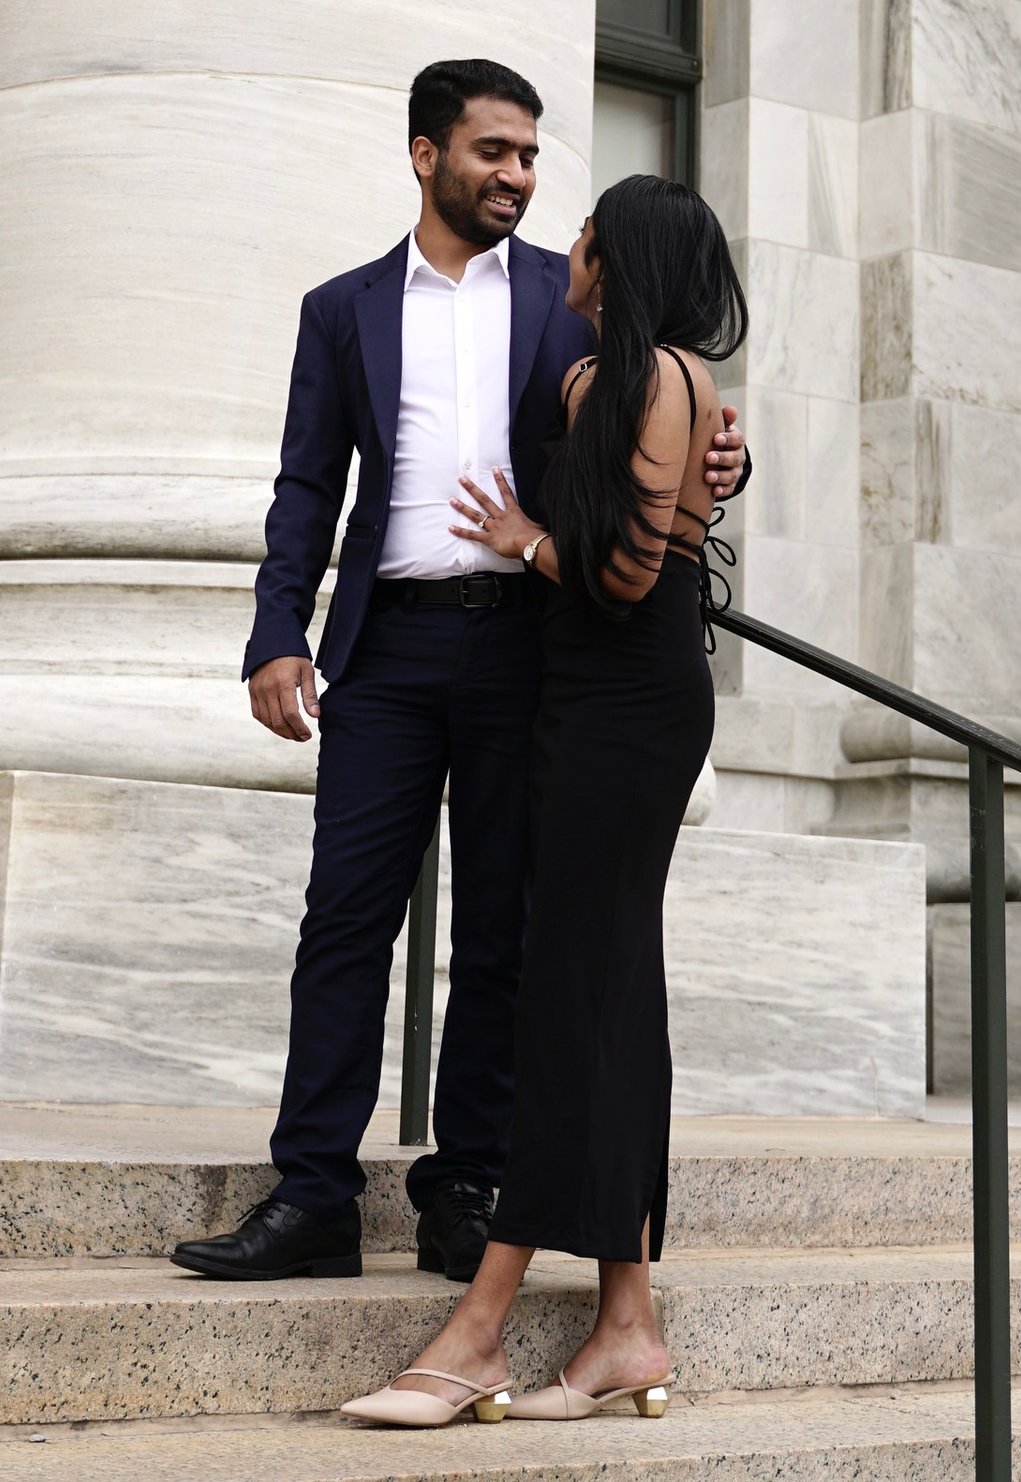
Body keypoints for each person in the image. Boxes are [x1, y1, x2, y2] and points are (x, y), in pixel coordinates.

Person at [170, 68, 744, 1288]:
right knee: (345, 918)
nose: (518, 177)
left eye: (530, 156)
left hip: (527, 646)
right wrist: (279, 633)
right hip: (385, 652)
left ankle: (464, 1188)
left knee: (500, 930)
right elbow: (306, 484)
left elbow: (661, 409)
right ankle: (315, 1190)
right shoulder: (343, 308)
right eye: (493, 151)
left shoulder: (570, 295)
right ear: (424, 152)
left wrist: (721, 454)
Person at [338, 172, 746, 1426]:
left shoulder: (662, 377)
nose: (563, 242)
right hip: (585, 702)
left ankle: (480, 1330)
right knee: (608, 991)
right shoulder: (608, 376)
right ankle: (624, 1324)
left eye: (584, 230)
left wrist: (526, 540)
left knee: (573, 995)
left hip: (629, 704)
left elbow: (624, 572)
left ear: (614, 257)